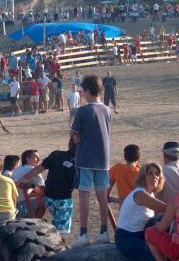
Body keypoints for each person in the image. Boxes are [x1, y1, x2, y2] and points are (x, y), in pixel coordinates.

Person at [70, 75, 111, 247]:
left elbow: (74, 134)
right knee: (102, 197)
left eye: (82, 90)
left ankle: (83, 234)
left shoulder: (83, 110)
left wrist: (76, 138)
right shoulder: (106, 109)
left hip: (86, 158)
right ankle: (103, 231)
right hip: (104, 159)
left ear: (87, 91)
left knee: (84, 196)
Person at [18, 138, 76, 233]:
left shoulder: (56, 154)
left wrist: (22, 179)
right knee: (60, 230)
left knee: (54, 223)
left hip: (49, 199)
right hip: (63, 200)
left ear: (69, 144)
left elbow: (39, 168)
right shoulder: (81, 162)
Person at [115, 163, 166, 261]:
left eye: (157, 174)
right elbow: (163, 208)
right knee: (153, 257)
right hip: (126, 237)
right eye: (150, 173)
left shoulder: (150, 195)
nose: (154, 176)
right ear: (143, 177)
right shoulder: (140, 194)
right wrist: (175, 207)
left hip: (141, 234)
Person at [11, 150, 44, 218]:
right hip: (20, 207)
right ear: (27, 158)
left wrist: (32, 189)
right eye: (36, 157)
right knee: (45, 201)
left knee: (33, 193)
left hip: (12, 204)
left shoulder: (18, 169)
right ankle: (36, 222)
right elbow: (42, 191)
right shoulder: (33, 170)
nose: (39, 159)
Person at [145, 194, 179, 261]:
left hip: (176, 249)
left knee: (149, 232)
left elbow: (161, 228)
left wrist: (157, 224)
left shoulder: (175, 200)